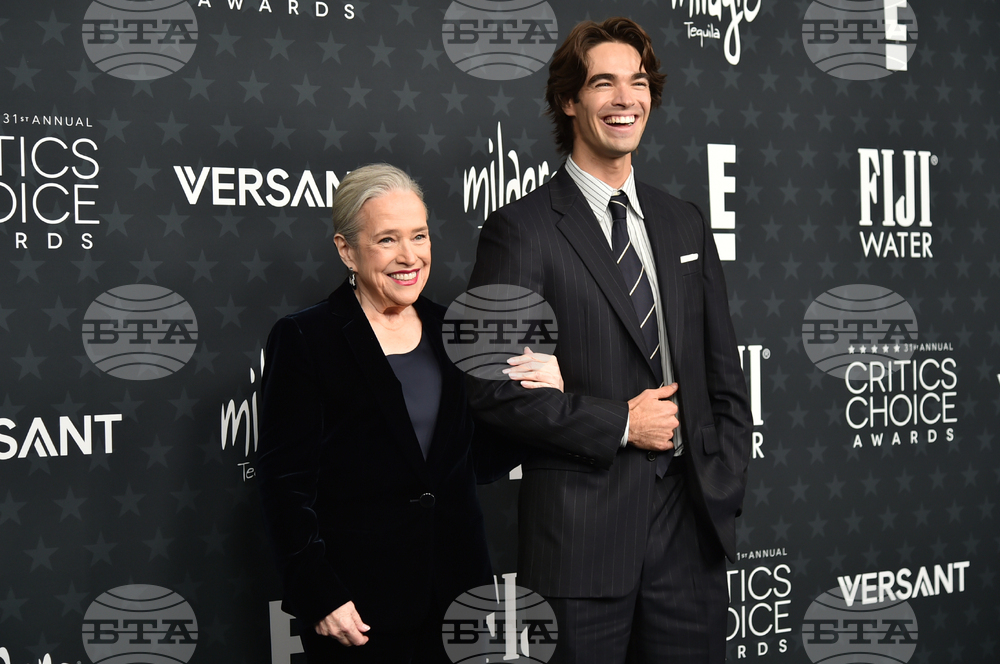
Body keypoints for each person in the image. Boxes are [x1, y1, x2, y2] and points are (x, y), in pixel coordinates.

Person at [466, 18, 753, 664]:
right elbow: (490, 390)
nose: (626, 99)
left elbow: (724, 377)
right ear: (569, 100)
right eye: (603, 83)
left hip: (690, 538)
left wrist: (723, 479)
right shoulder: (521, 231)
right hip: (580, 546)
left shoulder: (683, 223)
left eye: (639, 82)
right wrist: (621, 423)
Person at [257, 163, 564, 663]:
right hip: (358, 608)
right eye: (387, 240)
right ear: (346, 250)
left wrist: (541, 400)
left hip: (459, 599)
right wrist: (320, 593)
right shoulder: (305, 338)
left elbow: (474, 460)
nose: (409, 257)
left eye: (419, 236)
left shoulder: (456, 329)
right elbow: (284, 483)